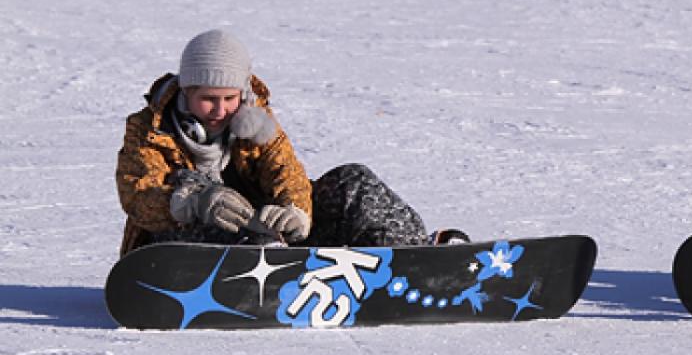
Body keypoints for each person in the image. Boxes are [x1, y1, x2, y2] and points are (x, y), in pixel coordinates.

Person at [115, 29, 462, 256]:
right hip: (180, 248)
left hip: (273, 239)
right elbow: (137, 192)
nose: (219, 109)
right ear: (186, 92)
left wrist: (295, 211)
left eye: (229, 98)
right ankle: (259, 260)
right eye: (208, 98)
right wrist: (192, 203)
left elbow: (287, 173)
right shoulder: (149, 130)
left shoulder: (256, 123)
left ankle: (411, 256)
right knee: (189, 182)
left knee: (351, 181)